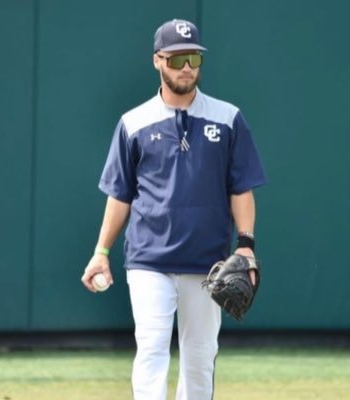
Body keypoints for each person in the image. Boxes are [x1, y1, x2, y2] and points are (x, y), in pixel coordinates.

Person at [82, 18, 267, 400]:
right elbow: (120, 195)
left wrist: (246, 246)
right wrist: (101, 253)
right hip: (149, 260)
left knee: (200, 359)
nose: (186, 67)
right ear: (157, 61)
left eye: (194, 59)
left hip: (208, 264)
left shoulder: (228, 118)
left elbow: (241, 189)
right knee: (151, 350)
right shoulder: (133, 123)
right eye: (178, 58)